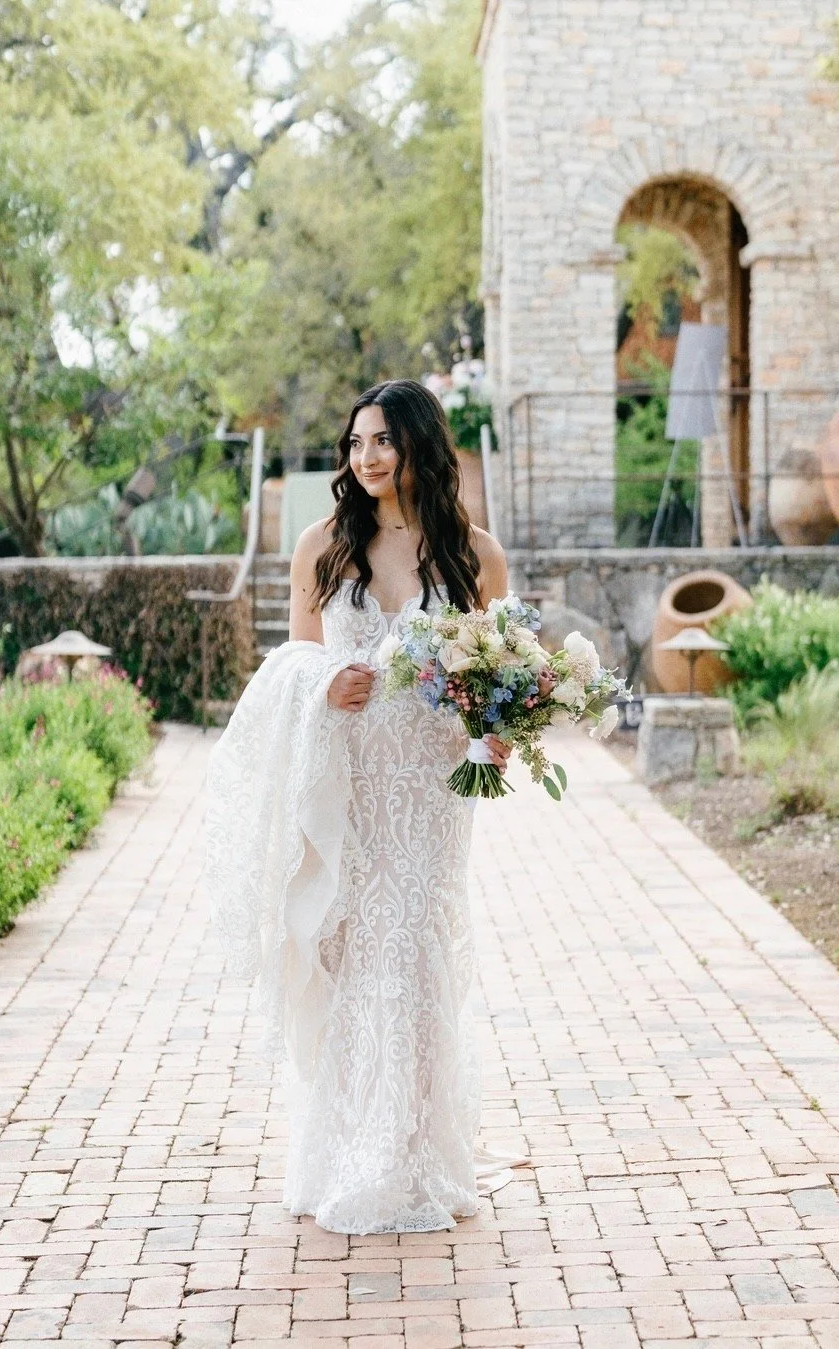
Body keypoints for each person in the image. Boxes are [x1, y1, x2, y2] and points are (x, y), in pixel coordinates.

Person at [205, 378, 511, 1235]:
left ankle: (409, 1157)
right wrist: (323, 683)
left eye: (382, 441)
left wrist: (501, 724)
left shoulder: (475, 556)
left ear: (419, 444)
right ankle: (342, 1150)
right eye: (355, 443)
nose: (366, 458)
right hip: (346, 784)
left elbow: (495, 667)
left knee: (413, 957)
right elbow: (289, 668)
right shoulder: (323, 545)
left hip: (429, 790)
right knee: (345, 952)